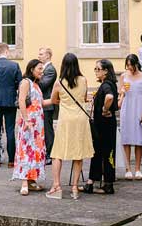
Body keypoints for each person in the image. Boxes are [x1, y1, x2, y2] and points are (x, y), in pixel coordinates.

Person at [45, 53, 94, 200]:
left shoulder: (59, 82)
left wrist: (65, 103)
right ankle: (74, 188)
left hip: (66, 119)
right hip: (80, 119)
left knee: (57, 153)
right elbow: (85, 98)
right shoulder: (84, 80)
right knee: (78, 154)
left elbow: (54, 100)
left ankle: (57, 186)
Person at [12, 59, 50, 195]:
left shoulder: (36, 85)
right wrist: (26, 119)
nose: (42, 72)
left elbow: (41, 102)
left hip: (38, 125)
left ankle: (32, 180)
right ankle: (24, 181)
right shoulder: (25, 82)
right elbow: (21, 100)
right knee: (26, 149)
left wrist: (56, 98)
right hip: (29, 122)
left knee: (36, 151)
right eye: (40, 69)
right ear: (32, 69)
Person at [82, 59, 118, 195]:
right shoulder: (109, 84)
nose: (96, 72)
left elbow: (109, 97)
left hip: (104, 125)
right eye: (95, 69)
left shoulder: (107, 85)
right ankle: (92, 181)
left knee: (104, 151)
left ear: (106, 71)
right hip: (104, 124)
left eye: (98, 69)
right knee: (99, 152)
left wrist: (104, 109)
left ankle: (107, 184)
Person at [118, 54, 142, 180]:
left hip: (138, 108)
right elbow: (120, 94)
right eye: (128, 65)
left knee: (138, 139)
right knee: (126, 139)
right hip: (126, 108)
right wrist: (122, 93)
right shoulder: (123, 76)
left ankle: (137, 169)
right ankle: (128, 169)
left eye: (131, 65)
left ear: (137, 64)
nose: (129, 68)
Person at [38, 47, 57, 165]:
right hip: (43, 103)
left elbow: (44, 84)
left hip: (47, 104)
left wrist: (34, 78)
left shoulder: (50, 69)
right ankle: (45, 152)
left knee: (48, 130)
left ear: (48, 56)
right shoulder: (44, 69)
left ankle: (50, 154)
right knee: (44, 129)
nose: (39, 56)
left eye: (41, 54)